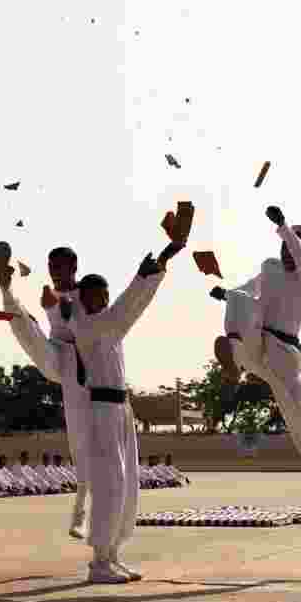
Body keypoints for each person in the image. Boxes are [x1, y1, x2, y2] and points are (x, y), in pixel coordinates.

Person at [210, 206, 301, 518]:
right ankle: (236, 360)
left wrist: (284, 226)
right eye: (283, 246)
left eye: (292, 246)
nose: (286, 252)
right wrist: (226, 295)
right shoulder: (270, 268)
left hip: (284, 352)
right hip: (258, 340)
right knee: (240, 301)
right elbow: (248, 289)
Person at [65, 240, 183, 583]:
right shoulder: (89, 326)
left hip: (120, 408)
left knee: (127, 483)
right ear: (85, 298)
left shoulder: (108, 326)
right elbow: (130, 307)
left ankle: (112, 554)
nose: (102, 300)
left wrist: (152, 270)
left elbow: (130, 307)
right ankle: (99, 562)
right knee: (109, 483)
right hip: (100, 409)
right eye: (96, 295)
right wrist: (147, 272)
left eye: (104, 294)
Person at [0, 242, 93, 536]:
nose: (54, 272)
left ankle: (81, 516)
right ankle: (6, 289)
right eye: (51, 267)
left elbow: (92, 329)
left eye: (60, 267)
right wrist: (38, 315)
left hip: (84, 366)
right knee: (22, 322)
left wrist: (62, 309)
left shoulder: (87, 294)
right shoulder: (49, 294)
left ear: (73, 268)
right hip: (58, 355)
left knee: (81, 442)